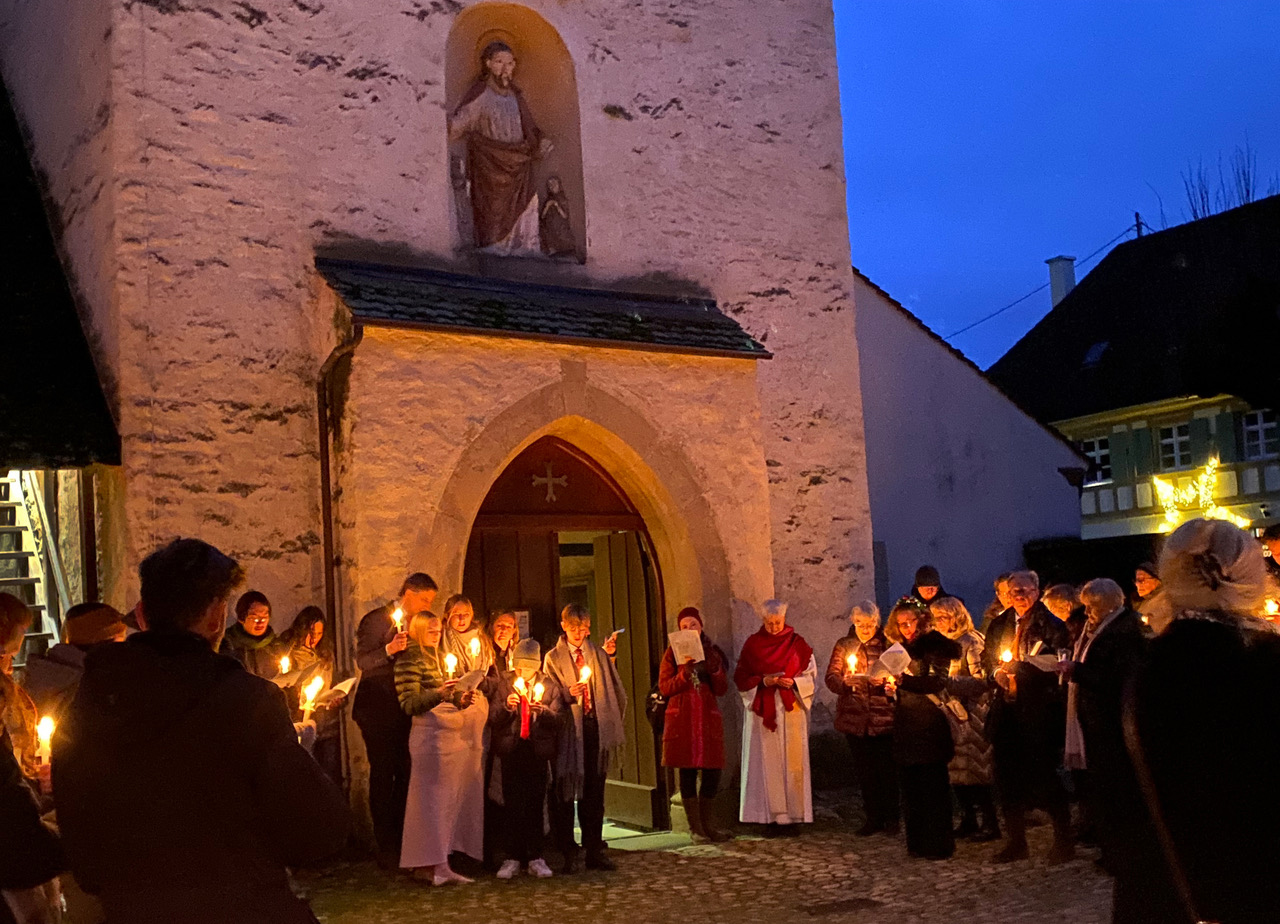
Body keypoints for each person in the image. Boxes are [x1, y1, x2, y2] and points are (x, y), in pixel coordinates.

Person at [52, 538, 350, 924]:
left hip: (134, 909)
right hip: (238, 906)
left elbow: (79, 828)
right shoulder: (245, 701)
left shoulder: (88, 702)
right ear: (216, 617)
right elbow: (320, 828)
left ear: (141, 614)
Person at [1113, 519, 1280, 924]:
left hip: (1162, 887)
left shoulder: (1144, 666)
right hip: (1255, 889)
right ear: (1253, 578)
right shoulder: (1264, 664)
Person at [1058, 578, 1149, 892]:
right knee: (1103, 788)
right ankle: (1111, 850)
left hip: (1110, 724)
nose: (1086, 612)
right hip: (1096, 723)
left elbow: (1117, 679)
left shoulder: (1124, 632)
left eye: (1090, 606)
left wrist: (1077, 671)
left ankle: (1120, 854)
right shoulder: (1100, 628)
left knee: (1116, 790)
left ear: (1108, 604)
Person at [983, 570, 1074, 864]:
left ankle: (1063, 840)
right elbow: (987, 658)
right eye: (1014, 591)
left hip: (1037, 710)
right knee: (1006, 776)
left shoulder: (1050, 624)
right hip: (1006, 709)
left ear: (1036, 591)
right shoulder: (1000, 624)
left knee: (1043, 774)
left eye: (1024, 590)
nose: (1019, 596)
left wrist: (1024, 667)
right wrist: (996, 673)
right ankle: (1016, 841)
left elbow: (1060, 659)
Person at [396, 610, 484, 885]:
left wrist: (461, 698)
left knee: (442, 804)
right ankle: (430, 864)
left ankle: (437, 863)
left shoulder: (434, 656)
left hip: (444, 740)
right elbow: (409, 703)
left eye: (438, 631)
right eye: (431, 631)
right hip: (428, 741)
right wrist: (441, 694)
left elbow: (442, 691)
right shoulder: (410, 658)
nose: (437, 636)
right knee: (429, 804)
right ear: (419, 631)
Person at [353, 572, 434, 867]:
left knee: (407, 772)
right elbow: (362, 661)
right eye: (425, 599)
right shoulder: (376, 620)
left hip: (405, 708)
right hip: (377, 708)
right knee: (384, 772)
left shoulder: (418, 624)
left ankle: (405, 840)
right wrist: (390, 649)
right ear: (409, 593)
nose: (427, 606)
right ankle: (385, 844)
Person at [448, 40, 553, 255]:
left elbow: (530, 130)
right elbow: (455, 127)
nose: (506, 69)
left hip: (519, 168)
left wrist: (540, 141)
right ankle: (492, 254)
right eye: (499, 62)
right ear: (488, 64)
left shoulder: (516, 97)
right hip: (489, 170)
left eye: (510, 63)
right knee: (492, 222)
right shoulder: (481, 96)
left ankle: (522, 252)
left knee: (525, 216)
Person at [544, 604, 625, 873]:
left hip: (594, 727)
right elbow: (547, 691)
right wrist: (567, 692)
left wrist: (610, 659)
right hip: (569, 730)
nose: (579, 633)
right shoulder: (553, 657)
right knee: (567, 790)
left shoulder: (597, 654)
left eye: (584, 628)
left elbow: (613, 687)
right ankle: (568, 851)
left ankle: (593, 849)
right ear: (564, 626)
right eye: (574, 627)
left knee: (594, 791)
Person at [885, 599, 961, 860]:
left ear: (921, 619)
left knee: (933, 787)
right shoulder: (899, 649)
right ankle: (917, 842)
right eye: (901, 624)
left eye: (910, 622)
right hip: (906, 724)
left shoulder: (936, 645)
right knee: (911, 788)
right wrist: (891, 691)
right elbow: (899, 687)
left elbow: (936, 682)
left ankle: (939, 844)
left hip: (929, 724)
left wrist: (904, 680)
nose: (906, 628)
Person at [735, 599, 817, 835]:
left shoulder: (797, 644)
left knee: (790, 763)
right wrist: (763, 681)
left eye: (777, 622)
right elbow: (741, 676)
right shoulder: (753, 645)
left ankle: (791, 817)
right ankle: (767, 817)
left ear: (784, 619)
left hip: (790, 709)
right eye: (769, 623)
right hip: (764, 712)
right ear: (763, 621)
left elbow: (810, 674)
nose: (773, 627)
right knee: (766, 764)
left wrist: (795, 682)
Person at [489, 638, 563, 880]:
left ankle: (535, 856)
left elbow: (559, 719)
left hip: (536, 751)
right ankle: (512, 856)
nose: (523, 671)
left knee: (534, 803)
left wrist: (544, 713)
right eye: (520, 667)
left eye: (529, 667)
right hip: (512, 749)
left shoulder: (549, 686)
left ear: (537, 666)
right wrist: (508, 708)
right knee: (512, 804)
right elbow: (493, 717)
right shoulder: (505, 683)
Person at [824, 600, 897, 836]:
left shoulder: (887, 645)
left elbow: (897, 674)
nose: (865, 629)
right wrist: (845, 683)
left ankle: (892, 818)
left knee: (886, 771)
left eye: (869, 624)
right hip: (855, 719)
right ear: (853, 623)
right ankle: (872, 818)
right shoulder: (845, 646)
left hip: (883, 717)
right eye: (859, 624)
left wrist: (888, 684)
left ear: (877, 623)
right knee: (865, 773)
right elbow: (831, 677)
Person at [930, 596, 1000, 841]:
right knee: (956, 771)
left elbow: (982, 680)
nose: (938, 622)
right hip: (949, 714)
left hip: (972, 715)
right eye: (935, 617)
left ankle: (990, 822)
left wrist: (949, 683)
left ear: (956, 617)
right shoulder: (940, 644)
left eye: (943, 617)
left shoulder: (971, 642)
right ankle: (968, 818)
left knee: (977, 771)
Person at [658, 606, 730, 843]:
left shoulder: (712, 652)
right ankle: (695, 827)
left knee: (712, 771)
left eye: (693, 625)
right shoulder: (671, 654)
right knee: (687, 771)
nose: (689, 630)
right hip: (684, 718)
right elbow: (665, 687)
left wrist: (715, 670)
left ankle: (709, 824)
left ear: (701, 627)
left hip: (706, 717)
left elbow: (721, 689)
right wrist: (684, 674)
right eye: (684, 627)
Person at [22, 602, 128, 726]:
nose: (123, 652)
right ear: (107, 646)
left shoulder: (44, 674)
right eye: (120, 643)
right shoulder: (87, 685)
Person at [277, 606, 344, 783]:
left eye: (320, 633)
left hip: (326, 724)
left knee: (329, 774)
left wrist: (335, 698)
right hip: (301, 722)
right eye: (311, 633)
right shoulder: (289, 652)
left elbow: (331, 682)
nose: (315, 638)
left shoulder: (325, 654)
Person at [482, 608, 520, 868]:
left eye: (509, 625)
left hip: (514, 728)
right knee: (490, 787)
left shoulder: (516, 655)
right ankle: (490, 850)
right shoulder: (487, 656)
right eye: (499, 625)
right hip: (489, 724)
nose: (504, 629)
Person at [218, 590, 283, 679]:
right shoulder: (227, 646)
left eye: (264, 618)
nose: (260, 623)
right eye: (254, 618)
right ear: (241, 619)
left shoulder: (274, 645)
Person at [1132, 563, 1167, 632]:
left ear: (1157, 581)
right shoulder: (1142, 603)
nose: (1137, 584)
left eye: (1142, 579)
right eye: (1137, 580)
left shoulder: (1165, 602)